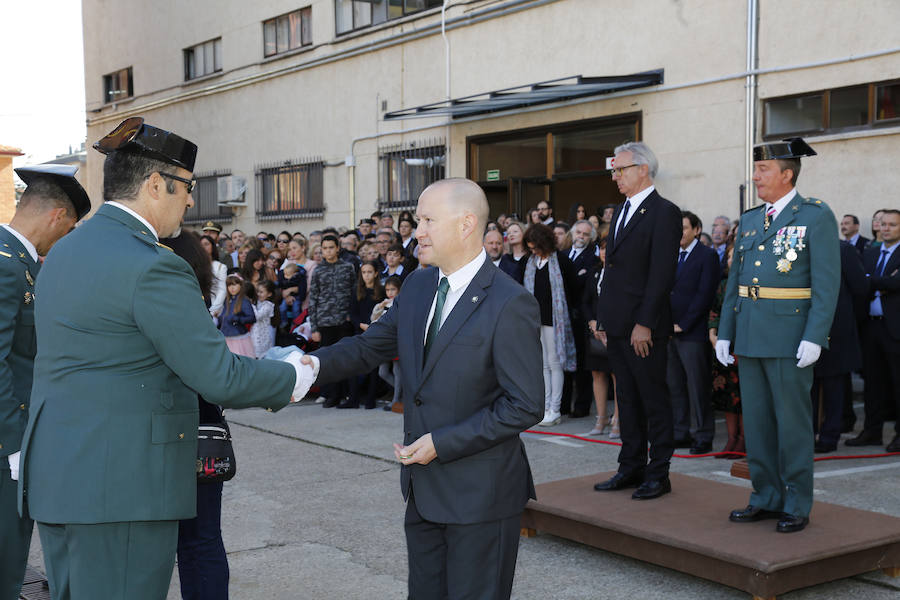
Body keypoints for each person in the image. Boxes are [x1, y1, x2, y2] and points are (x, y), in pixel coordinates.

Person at [18, 118, 306, 600]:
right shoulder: (153, 265)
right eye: (186, 187)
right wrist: (295, 375)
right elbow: (219, 376)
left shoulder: (64, 252)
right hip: (122, 488)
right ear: (155, 184)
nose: (191, 200)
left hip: (61, 480)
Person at [302, 178, 543, 600]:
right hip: (423, 491)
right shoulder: (418, 286)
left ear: (467, 224)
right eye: (418, 220)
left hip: (480, 498)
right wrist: (308, 368)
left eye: (428, 220)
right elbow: (369, 346)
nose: (418, 232)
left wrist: (443, 443)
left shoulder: (510, 302)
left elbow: (524, 405)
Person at [717, 137, 840, 533]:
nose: (755, 176)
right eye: (756, 169)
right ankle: (765, 496)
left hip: (790, 336)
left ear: (787, 174)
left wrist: (814, 336)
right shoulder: (752, 219)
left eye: (763, 170)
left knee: (792, 423)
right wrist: (725, 331)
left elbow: (827, 284)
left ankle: (796, 502)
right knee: (758, 422)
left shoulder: (815, 216)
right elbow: (736, 280)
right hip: (751, 333)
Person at [0, 165, 88, 600]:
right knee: (5, 554)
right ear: (57, 216)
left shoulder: (20, 261)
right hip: (6, 442)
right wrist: (13, 443)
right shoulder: (6, 265)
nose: (66, 239)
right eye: (70, 228)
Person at [593, 141, 681, 501]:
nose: (615, 176)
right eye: (614, 170)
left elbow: (661, 274)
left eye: (621, 169)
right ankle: (630, 466)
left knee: (652, 400)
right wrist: (603, 317)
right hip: (616, 325)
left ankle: (658, 473)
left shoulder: (664, 212)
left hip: (643, 327)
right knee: (626, 399)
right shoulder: (621, 211)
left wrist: (644, 322)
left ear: (643, 169)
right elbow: (612, 272)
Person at [666, 211, 721, 454]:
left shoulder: (707, 256)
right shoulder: (669, 254)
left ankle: (702, 435)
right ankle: (681, 432)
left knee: (697, 386)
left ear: (697, 230)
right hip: (668, 330)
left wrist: (685, 323)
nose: (679, 233)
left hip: (693, 332)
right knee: (675, 385)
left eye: (684, 228)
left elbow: (705, 293)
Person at [847, 209, 900, 452]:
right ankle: (872, 431)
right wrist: (882, 281)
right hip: (870, 326)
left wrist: (873, 280)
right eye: (884, 224)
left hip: (895, 329)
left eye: (892, 224)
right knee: (873, 383)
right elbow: (859, 284)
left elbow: (895, 283)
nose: (886, 228)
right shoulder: (870, 253)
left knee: (897, 382)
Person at [811, 240, 867, 452]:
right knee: (807, 388)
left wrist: (849, 321)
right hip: (804, 328)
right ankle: (807, 436)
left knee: (834, 387)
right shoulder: (799, 245)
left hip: (836, 329)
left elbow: (860, 287)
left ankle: (829, 436)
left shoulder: (842, 249)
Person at [523, 224, 576, 426]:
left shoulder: (560, 261)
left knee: (555, 363)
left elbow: (572, 289)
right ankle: (544, 407)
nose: (533, 251)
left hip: (556, 322)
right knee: (542, 365)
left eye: (536, 247)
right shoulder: (531, 263)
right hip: (536, 321)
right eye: (531, 248)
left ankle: (555, 408)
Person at [308, 234, 356, 408]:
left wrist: (352, 316)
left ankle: (346, 394)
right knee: (328, 360)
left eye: (331, 247)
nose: (328, 251)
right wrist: (314, 327)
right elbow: (313, 299)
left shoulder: (348, 267)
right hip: (325, 321)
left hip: (344, 320)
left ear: (337, 248)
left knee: (345, 359)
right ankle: (332, 395)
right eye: (324, 248)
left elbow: (354, 292)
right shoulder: (318, 271)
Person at [708, 244, 745, 459]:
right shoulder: (723, 285)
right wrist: (713, 334)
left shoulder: (751, 284)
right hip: (722, 346)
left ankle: (744, 440)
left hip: (745, 346)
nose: (732, 260)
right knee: (726, 398)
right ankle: (731, 439)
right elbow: (714, 311)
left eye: (736, 256)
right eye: (730, 256)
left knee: (744, 398)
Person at [561, 219, 597, 418]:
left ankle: (582, 406)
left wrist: (578, 277)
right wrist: (578, 276)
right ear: (572, 234)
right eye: (578, 233)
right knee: (564, 359)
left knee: (582, 362)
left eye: (585, 234)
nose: (581, 237)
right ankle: (563, 404)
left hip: (582, 317)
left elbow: (583, 283)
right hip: (564, 316)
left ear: (590, 238)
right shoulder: (564, 255)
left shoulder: (592, 258)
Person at [582, 237, 618, 437]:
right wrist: (593, 323)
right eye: (602, 249)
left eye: (608, 249)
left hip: (615, 331)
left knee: (617, 375)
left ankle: (618, 420)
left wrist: (607, 326)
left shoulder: (621, 273)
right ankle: (601, 418)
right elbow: (585, 302)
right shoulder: (595, 272)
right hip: (595, 332)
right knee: (597, 373)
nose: (604, 253)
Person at [343, 261, 385, 409]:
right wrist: (361, 325)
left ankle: (370, 399)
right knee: (354, 365)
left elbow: (385, 312)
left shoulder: (381, 291)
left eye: (369, 272)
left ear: (375, 273)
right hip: (359, 332)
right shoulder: (357, 291)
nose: (366, 275)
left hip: (375, 332)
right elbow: (352, 313)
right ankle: (353, 398)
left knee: (373, 367)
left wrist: (373, 326)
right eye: (364, 272)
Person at [252, 280, 278, 359]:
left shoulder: (268, 305)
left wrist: (251, 306)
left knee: (262, 354)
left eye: (261, 292)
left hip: (263, 334)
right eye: (257, 291)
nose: (258, 294)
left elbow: (257, 316)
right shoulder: (258, 302)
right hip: (256, 333)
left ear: (269, 294)